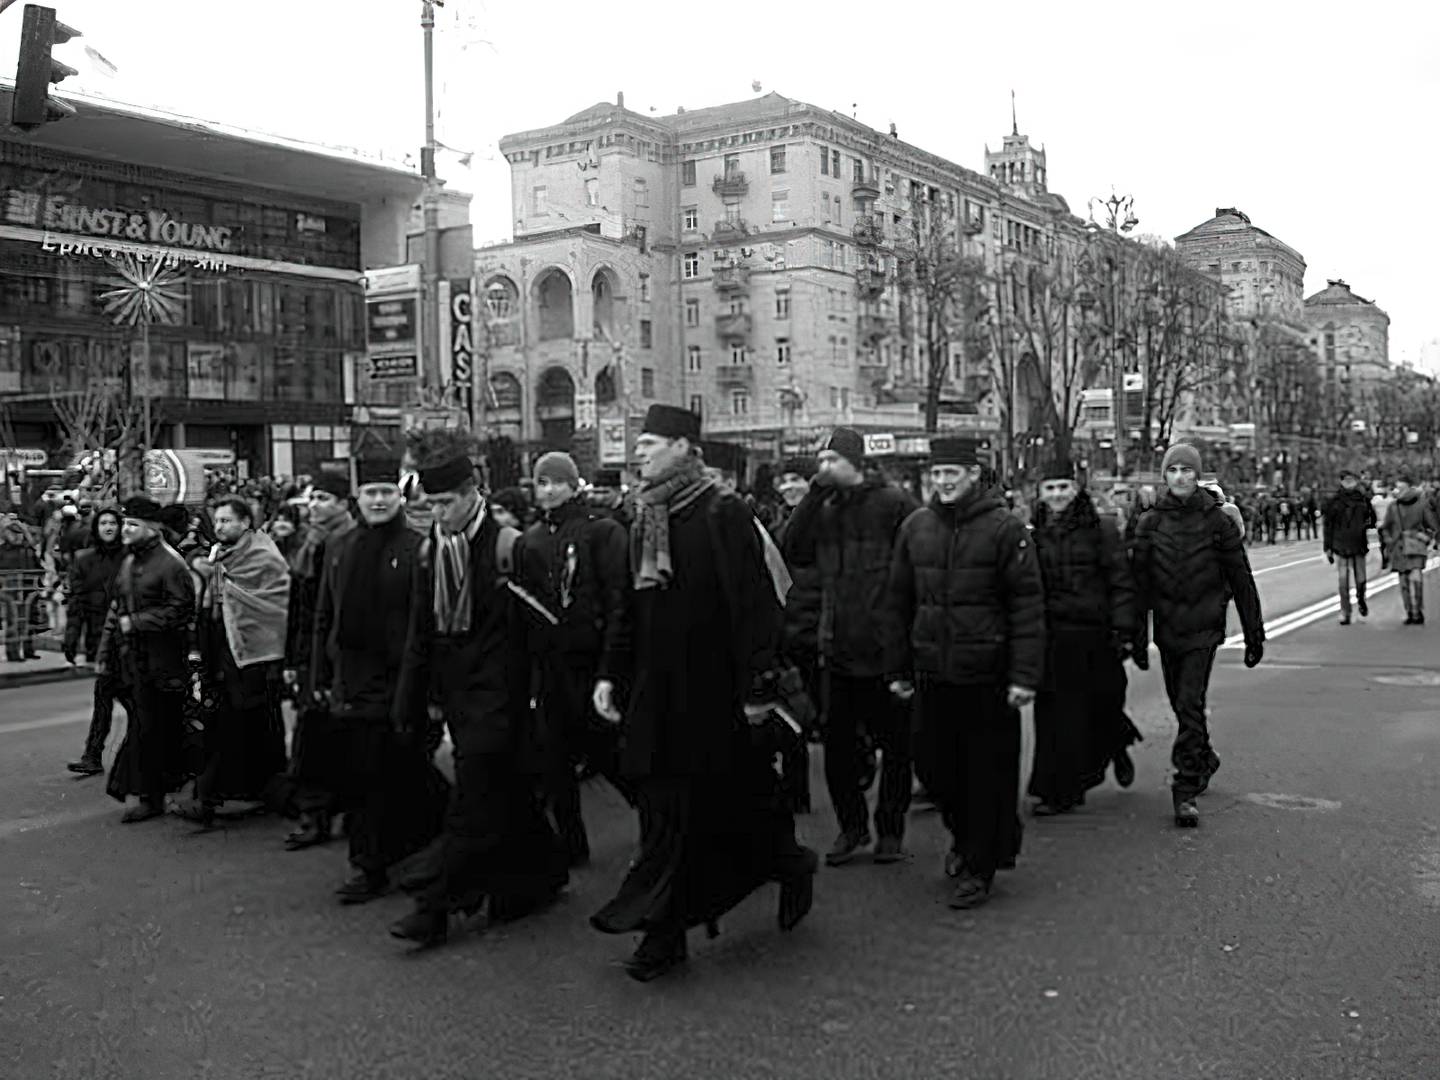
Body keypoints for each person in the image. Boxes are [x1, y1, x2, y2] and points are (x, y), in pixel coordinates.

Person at [590, 405, 818, 982]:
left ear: (685, 448)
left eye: (650, 443)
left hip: (715, 691)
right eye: (638, 444)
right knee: (664, 811)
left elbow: (755, 608)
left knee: (733, 802)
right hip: (654, 690)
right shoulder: (642, 514)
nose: (639, 452)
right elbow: (628, 609)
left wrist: (758, 687)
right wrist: (609, 675)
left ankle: (790, 864)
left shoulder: (723, 512)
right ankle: (663, 936)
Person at [388, 429, 568, 948]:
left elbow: (549, 633)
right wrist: (411, 700)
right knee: (504, 795)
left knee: (471, 802)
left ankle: (434, 905)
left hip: (506, 699)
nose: (438, 512)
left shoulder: (512, 549)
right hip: (459, 699)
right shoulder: (432, 553)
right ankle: (540, 874)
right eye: (431, 503)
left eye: (446, 502)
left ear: (473, 493)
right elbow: (420, 634)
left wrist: (543, 703)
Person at [883, 439, 1044, 909]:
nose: (943, 481)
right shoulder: (916, 527)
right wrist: (898, 667)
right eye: (936, 473)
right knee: (933, 768)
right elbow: (897, 604)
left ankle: (980, 863)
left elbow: (1028, 608)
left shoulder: (1005, 529)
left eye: (952, 472)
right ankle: (964, 837)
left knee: (986, 778)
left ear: (974, 474)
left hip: (988, 679)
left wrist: (1024, 676)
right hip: (933, 675)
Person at [308, 462, 449, 904]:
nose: (379, 500)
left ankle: (428, 841)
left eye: (387, 491)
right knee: (366, 776)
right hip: (354, 681)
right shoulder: (340, 546)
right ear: (358, 497)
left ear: (400, 496)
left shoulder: (419, 548)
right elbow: (323, 616)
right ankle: (370, 864)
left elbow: (430, 626)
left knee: (401, 771)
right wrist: (319, 675)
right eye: (370, 492)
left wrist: (430, 693)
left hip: (404, 682)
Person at [784, 428, 917, 865]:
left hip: (884, 647)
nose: (823, 469)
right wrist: (811, 497)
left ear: (854, 462)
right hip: (837, 645)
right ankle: (852, 827)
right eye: (819, 461)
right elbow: (793, 550)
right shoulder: (823, 509)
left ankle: (890, 830)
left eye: (831, 460)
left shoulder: (893, 504)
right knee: (838, 749)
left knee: (896, 745)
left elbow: (918, 559)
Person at [1131, 444, 1264, 828]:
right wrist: (1138, 637)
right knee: (1180, 704)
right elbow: (1139, 586)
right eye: (1172, 470)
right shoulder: (1150, 523)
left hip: (1204, 628)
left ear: (1197, 475)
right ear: (1164, 476)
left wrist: (1254, 634)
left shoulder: (1217, 521)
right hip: (1169, 629)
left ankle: (1185, 788)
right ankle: (1204, 755)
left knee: (1190, 702)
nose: (1180, 477)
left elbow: (1241, 579)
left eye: (1186, 470)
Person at [513, 451, 631, 867]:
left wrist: (611, 669)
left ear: (573, 484)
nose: (548, 491)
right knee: (555, 761)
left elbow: (620, 601)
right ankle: (570, 843)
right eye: (541, 483)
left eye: (556, 482)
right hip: (550, 666)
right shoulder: (529, 540)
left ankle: (658, 822)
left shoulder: (603, 532)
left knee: (611, 754)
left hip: (592, 662)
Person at [1027, 458, 1143, 816]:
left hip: (1094, 633)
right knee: (1054, 715)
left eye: (1063, 486)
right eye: (1050, 488)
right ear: (1041, 493)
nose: (1057, 494)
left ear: (1075, 488)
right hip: (1051, 635)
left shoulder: (1102, 529)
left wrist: (1124, 629)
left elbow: (1121, 582)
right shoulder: (1033, 532)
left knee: (1100, 705)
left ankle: (1115, 744)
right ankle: (1058, 789)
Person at [175, 499, 290, 828]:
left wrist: (223, 584)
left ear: (245, 523)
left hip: (255, 661)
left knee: (233, 727)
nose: (221, 526)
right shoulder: (219, 557)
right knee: (243, 726)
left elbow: (274, 605)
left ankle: (208, 800)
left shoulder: (262, 555)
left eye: (227, 520)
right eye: (218, 521)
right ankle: (259, 791)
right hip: (223, 660)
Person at [98, 496, 196, 823]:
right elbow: (118, 608)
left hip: (163, 662)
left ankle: (153, 795)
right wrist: (106, 653)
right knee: (149, 728)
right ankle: (155, 792)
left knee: (154, 728)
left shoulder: (170, 563)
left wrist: (138, 622)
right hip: (134, 660)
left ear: (151, 528)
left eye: (132, 525)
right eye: (124, 523)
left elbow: (182, 609)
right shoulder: (130, 561)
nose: (125, 530)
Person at [279, 473, 356, 850]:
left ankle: (327, 810)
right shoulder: (308, 544)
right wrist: (293, 658)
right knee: (312, 733)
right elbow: (299, 607)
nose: (314, 505)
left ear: (343, 504)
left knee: (328, 736)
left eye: (324, 498)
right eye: (312, 499)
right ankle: (315, 812)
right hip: (310, 653)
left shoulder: (349, 543)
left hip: (337, 654)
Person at [64, 507, 131, 776]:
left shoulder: (131, 557)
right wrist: (72, 637)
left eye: (112, 523)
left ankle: (94, 755)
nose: (108, 527)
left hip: (128, 637)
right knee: (106, 696)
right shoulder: (84, 559)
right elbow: (76, 602)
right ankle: (92, 755)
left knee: (123, 699)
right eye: (103, 523)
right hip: (100, 638)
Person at [1380, 472, 1439, 626]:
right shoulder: (1394, 506)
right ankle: (1412, 612)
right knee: (1405, 580)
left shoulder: (1419, 504)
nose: (1398, 491)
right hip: (1402, 546)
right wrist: (1389, 540)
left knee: (1413, 578)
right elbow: (1386, 527)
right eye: (1397, 488)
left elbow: (1432, 526)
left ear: (1409, 488)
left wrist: (1423, 536)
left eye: (1401, 488)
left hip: (1410, 546)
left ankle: (1415, 611)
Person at [1323, 469, 1377, 625]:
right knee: (1343, 581)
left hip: (1358, 542)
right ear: (1341, 482)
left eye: (1351, 480)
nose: (1349, 482)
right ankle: (1345, 611)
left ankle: (1361, 599)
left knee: (1361, 579)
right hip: (1340, 544)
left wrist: (1365, 523)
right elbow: (1328, 525)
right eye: (1346, 480)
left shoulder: (1363, 499)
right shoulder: (1334, 501)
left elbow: (1372, 519)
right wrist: (1328, 547)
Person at [0, 515, 42, 662]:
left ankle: (28, 649)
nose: (16, 535)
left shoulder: (27, 550)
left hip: (29, 589)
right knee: (14, 621)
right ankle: (13, 652)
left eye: (18, 532)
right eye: (12, 532)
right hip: (11, 591)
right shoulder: (2, 551)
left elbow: (38, 566)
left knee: (30, 620)